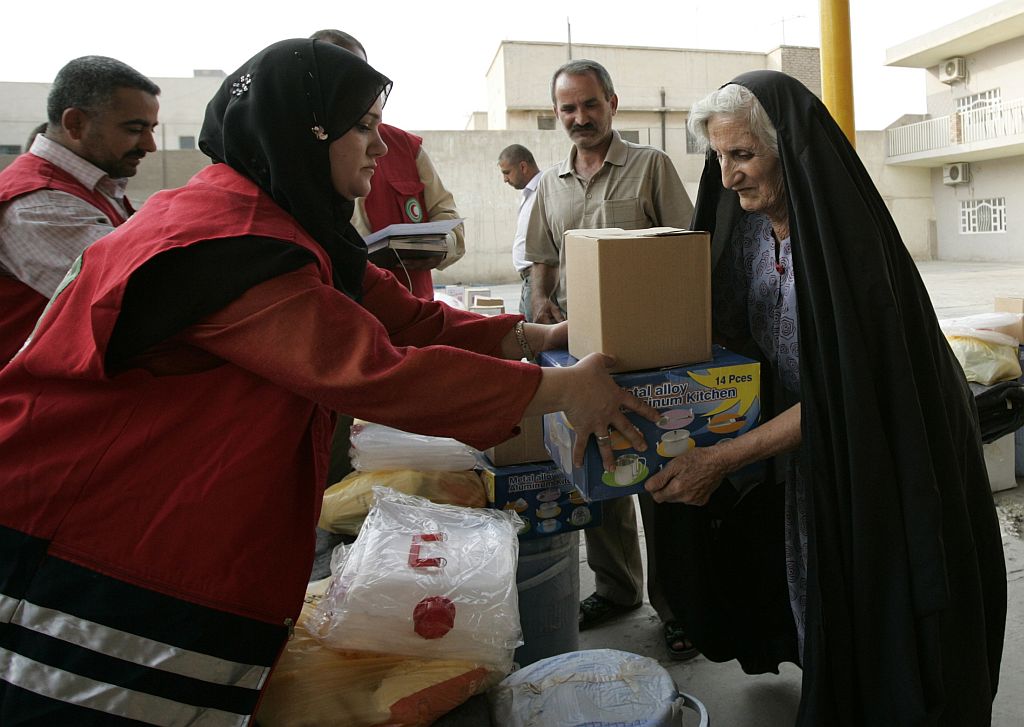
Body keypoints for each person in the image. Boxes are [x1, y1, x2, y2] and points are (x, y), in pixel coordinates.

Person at [0, 39, 659, 723]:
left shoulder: (287, 224)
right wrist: (559, 390)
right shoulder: (230, 244)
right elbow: (371, 370)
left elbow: (408, 319)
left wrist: (537, 339)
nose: (380, 147)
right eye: (364, 127)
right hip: (84, 538)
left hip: (159, 512)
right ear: (301, 130)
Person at [646, 70, 1006, 725]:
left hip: (881, 455)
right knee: (807, 583)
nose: (728, 177)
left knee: (878, 601)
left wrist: (722, 460)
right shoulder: (749, 235)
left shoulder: (847, 246)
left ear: (789, 149)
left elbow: (849, 394)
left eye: (745, 155)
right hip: (804, 453)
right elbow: (720, 338)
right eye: (720, 157)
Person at [524, 58, 696, 659]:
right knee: (598, 474)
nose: (580, 118)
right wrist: (542, 298)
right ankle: (618, 589)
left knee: (660, 475)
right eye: (568, 109)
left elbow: (687, 249)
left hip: (649, 350)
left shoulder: (651, 166)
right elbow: (542, 257)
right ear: (557, 115)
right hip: (582, 353)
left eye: (589, 105)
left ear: (613, 104)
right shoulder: (548, 184)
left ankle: (679, 608)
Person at [0, 56, 159, 364]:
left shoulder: (97, 185)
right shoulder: (39, 205)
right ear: (75, 123)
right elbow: (137, 302)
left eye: (151, 128)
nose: (150, 145)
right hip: (33, 400)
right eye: (134, 129)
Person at [310, 28, 465, 301]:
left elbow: (449, 219)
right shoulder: (291, 155)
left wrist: (439, 247)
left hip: (414, 318)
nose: (378, 149)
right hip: (346, 313)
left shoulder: (406, 148)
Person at [497, 143, 541, 320]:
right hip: (527, 279)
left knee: (537, 336)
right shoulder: (529, 193)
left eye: (507, 173)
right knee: (525, 334)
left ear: (523, 167)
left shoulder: (545, 188)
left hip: (538, 278)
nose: (505, 180)